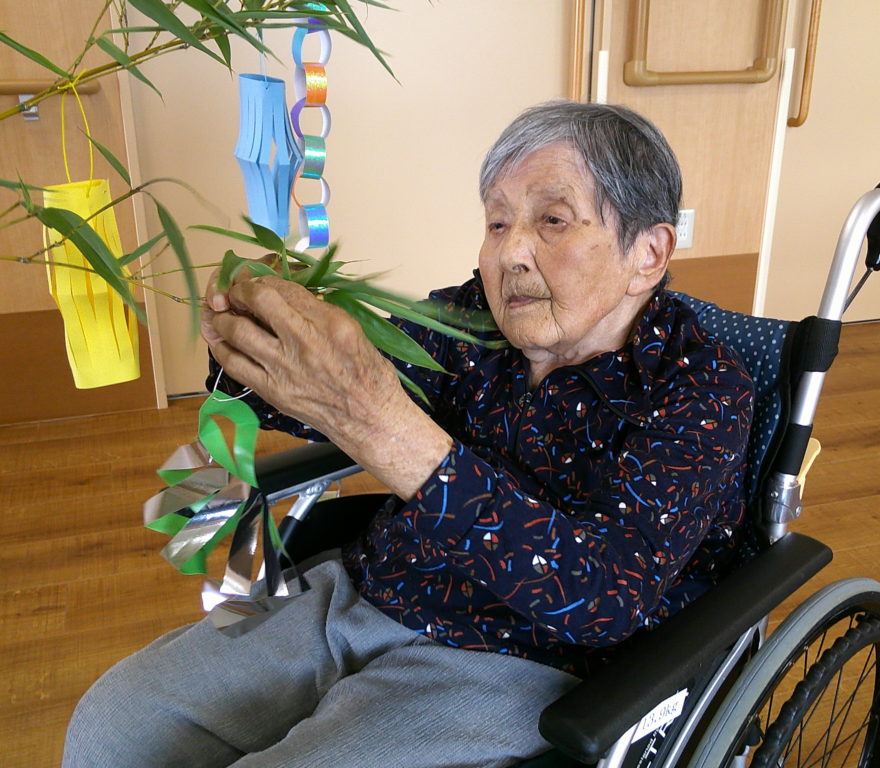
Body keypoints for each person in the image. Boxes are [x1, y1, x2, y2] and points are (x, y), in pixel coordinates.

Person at [63, 101, 753, 768]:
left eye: (552, 220)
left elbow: (603, 596)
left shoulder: (700, 389)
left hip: (522, 662)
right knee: (115, 727)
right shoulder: (466, 321)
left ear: (648, 252)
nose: (511, 252)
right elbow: (317, 397)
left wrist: (385, 428)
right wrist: (252, 342)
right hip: (370, 589)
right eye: (497, 222)